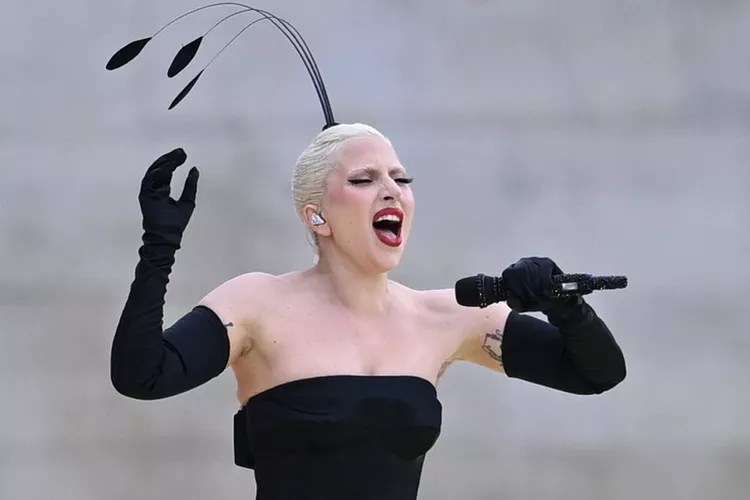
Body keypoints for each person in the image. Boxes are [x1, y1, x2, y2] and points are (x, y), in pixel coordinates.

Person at [110, 122, 626, 500]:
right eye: (364, 179)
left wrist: (566, 307)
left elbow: (596, 372)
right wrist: (159, 244)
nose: (391, 191)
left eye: (401, 179)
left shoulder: (448, 316)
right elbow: (142, 375)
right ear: (317, 215)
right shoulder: (256, 305)